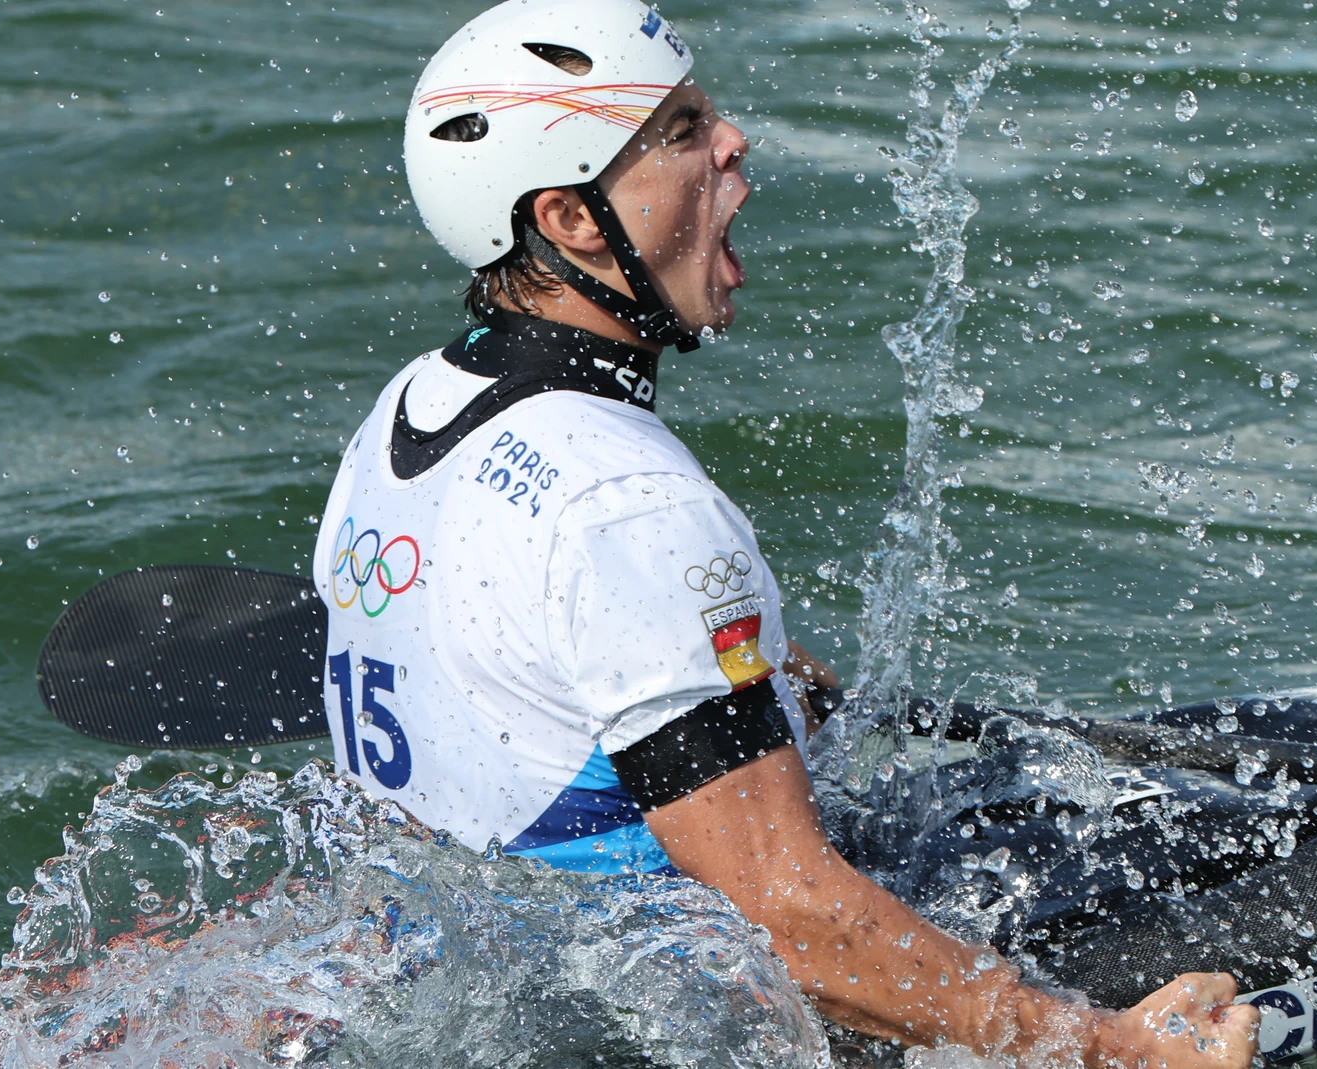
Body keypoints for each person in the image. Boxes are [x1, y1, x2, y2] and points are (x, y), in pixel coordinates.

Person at [311, 2, 1259, 1065]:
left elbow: (512, 664)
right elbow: (789, 919)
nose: (732, 142)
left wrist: (740, 682)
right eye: (678, 132)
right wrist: (1102, 1050)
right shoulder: (625, 499)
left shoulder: (412, 410)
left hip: (452, 981)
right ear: (574, 221)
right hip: (638, 1028)